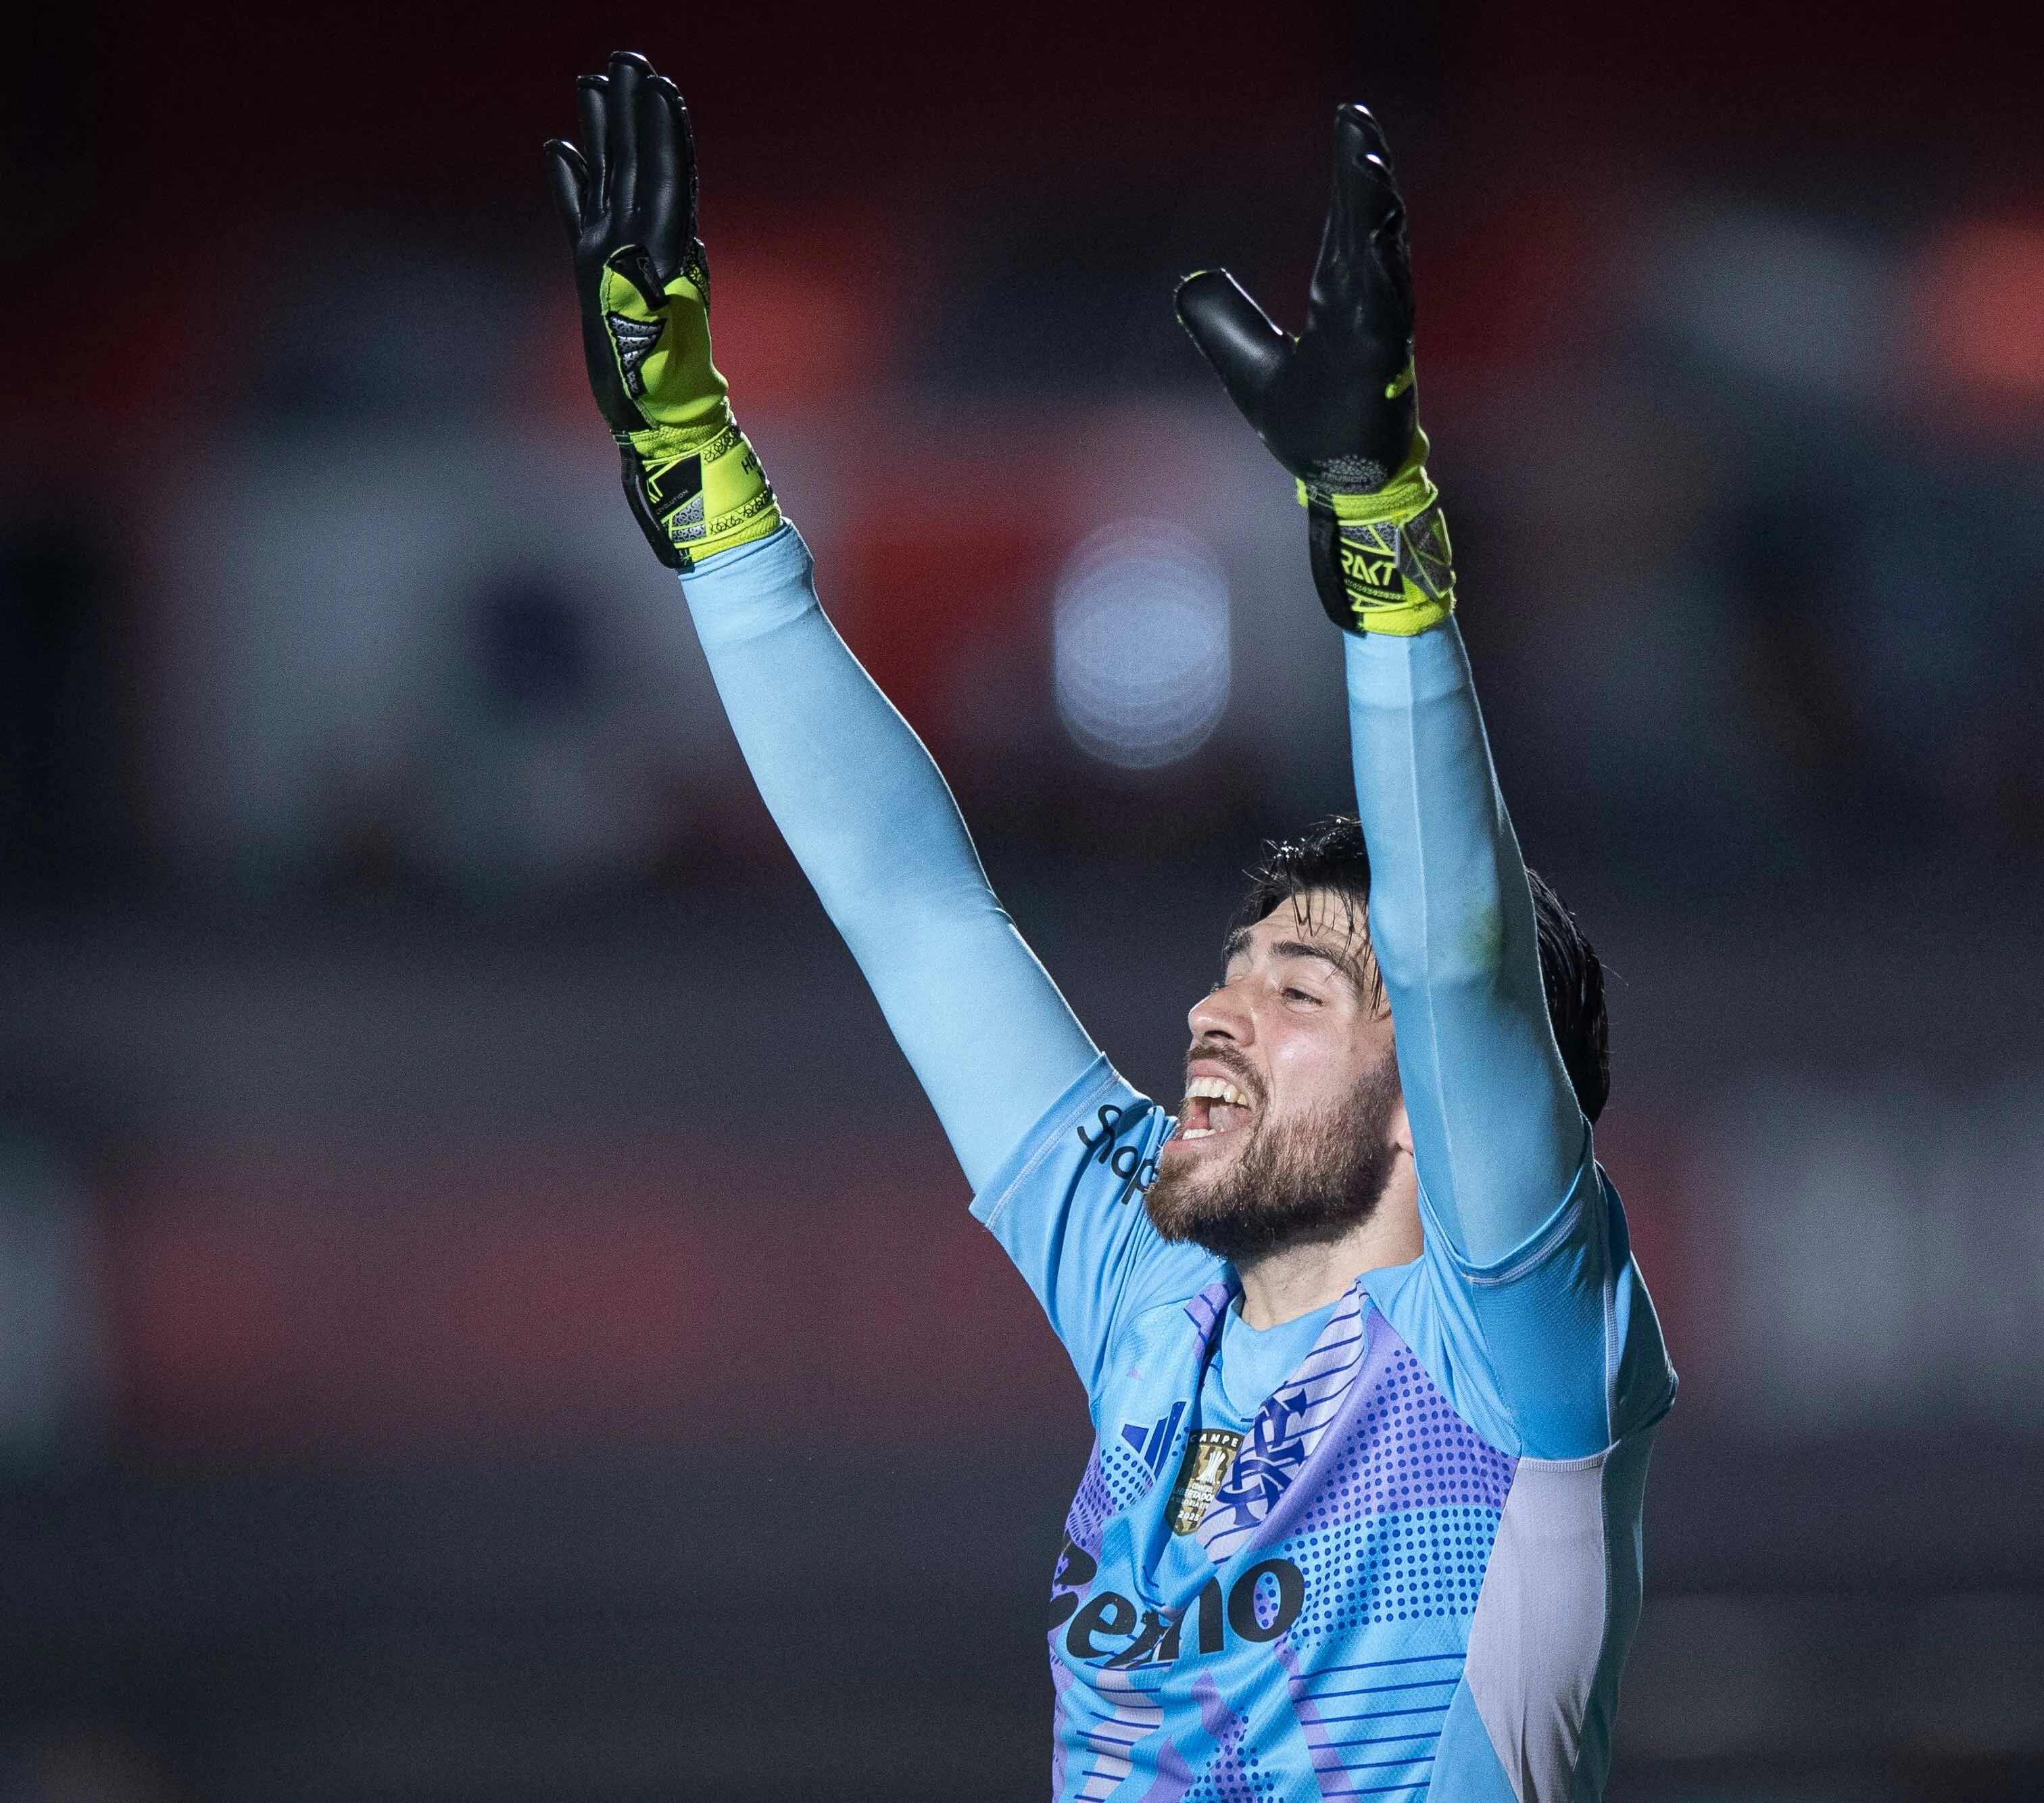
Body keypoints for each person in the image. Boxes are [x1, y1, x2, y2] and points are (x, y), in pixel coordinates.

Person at [545, 53, 1673, 1800]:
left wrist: (1383, 545)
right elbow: (915, 912)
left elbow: (1458, 971)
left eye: (1298, 987)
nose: (1218, 1016)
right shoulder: (1159, 1293)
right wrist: (707, 499)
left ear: (1426, 1112)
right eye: (1233, 972)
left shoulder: (1509, 1344)